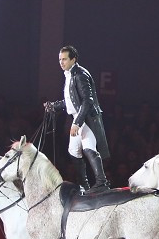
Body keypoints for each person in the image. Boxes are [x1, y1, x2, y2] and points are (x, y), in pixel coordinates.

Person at [43, 45, 111, 194]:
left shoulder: (80, 75)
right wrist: (54, 106)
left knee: (88, 148)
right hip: (79, 117)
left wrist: (77, 123)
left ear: (73, 59)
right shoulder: (69, 74)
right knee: (73, 150)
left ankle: (101, 182)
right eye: (60, 59)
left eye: (64, 59)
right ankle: (84, 185)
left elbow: (87, 100)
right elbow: (72, 100)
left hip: (87, 119)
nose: (61, 62)